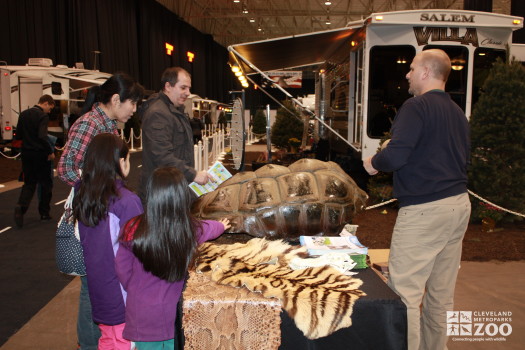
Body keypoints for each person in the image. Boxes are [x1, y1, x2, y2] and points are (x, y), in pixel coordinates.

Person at [363, 49, 471, 350]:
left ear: (425, 72)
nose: (407, 74)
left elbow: (396, 155)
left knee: (405, 294)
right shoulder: (457, 113)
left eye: (411, 69)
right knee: (440, 295)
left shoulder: (415, 106)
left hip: (425, 211)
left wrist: (374, 162)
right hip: (458, 206)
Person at [57, 73, 144, 350]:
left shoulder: (108, 125)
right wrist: (97, 188)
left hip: (100, 213)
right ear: (116, 99)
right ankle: (88, 344)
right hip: (93, 215)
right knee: (89, 290)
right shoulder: (90, 124)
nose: (134, 110)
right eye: (133, 103)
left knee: (96, 287)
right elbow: (65, 169)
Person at [115, 167, 230, 348]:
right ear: (182, 196)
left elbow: (122, 268)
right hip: (173, 316)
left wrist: (135, 288)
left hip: (141, 314)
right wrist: (222, 225)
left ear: (150, 194)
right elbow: (210, 228)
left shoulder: (132, 227)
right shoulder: (189, 229)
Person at [73, 133, 143, 349]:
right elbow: (139, 250)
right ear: (121, 162)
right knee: (126, 342)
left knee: (108, 339)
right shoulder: (127, 201)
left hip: (98, 288)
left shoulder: (83, 193)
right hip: (122, 293)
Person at [139, 67, 212, 200]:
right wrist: (193, 174)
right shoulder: (158, 113)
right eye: (183, 88)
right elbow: (162, 157)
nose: (188, 93)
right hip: (162, 194)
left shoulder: (173, 111)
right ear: (168, 86)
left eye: (189, 88)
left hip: (172, 187)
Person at [14, 94, 55, 228]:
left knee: (29, 183)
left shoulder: (24, 114)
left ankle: (21, 207)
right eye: (50, 108)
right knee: (45, 184)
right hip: (40, 154)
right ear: (46, 103)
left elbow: (18, 134)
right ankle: (44, 213)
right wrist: (50, 151)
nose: (49, 111)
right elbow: (42, 136)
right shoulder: (42, 116)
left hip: (26, 153)